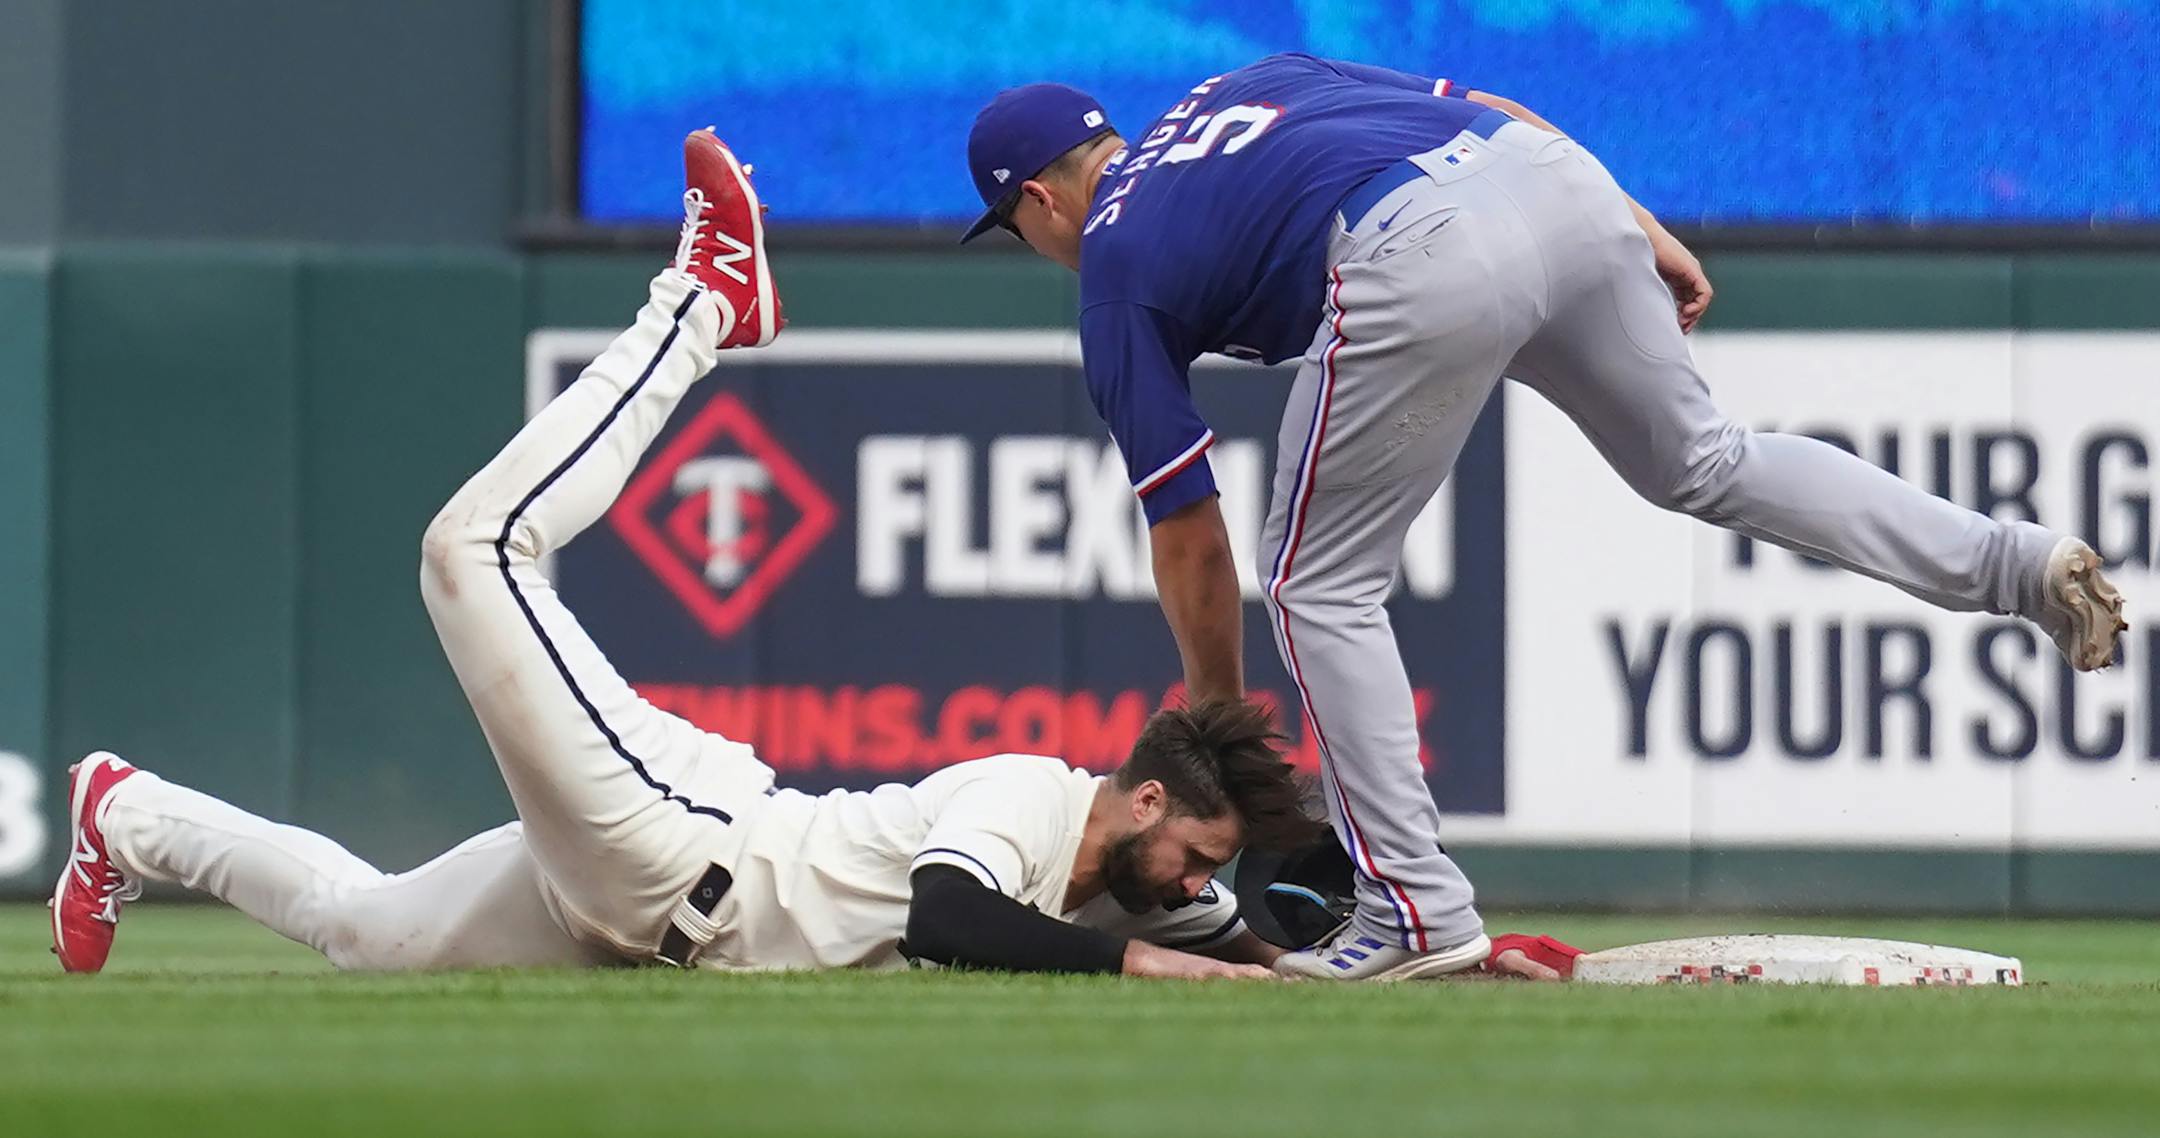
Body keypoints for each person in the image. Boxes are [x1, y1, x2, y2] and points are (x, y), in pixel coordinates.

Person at [47, 130, 1323, 982]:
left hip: (632, 917)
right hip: (669, 839)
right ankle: (707, 298)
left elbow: (1270, 933)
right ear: (1147, 799)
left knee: (366, 930)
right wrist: (1148, 962)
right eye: (1200, 855)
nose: (1200, 886)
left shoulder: (1140, 878)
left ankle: (126, 814)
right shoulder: (1035, 802)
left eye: (1208, 870)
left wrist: (1432, 947)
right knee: (473, 548)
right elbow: (948, 915)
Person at [956, 54, 2129, 981]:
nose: (1035, 245)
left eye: (1016, 230)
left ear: (1042, 199)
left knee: (1319, 583)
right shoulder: (1248, 84)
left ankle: (1415, 909)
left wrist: (1213, 714)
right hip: (1553, 181)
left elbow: (1189, 534)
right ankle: (2019, 564)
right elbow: (1486, 100)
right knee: (1704, 458)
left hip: (1416, 245)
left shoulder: (1111, 259)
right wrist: (1635, 217)